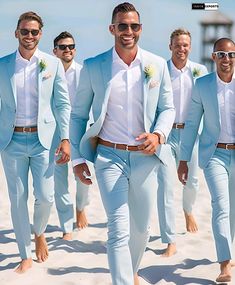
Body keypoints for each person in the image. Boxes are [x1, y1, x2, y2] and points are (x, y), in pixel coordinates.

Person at [70, 2, 175, 285]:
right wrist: (78, 159)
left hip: (146, 158)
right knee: (118, 229)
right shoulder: (93, 67)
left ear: (140, 29)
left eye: (134, 26)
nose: (128, 31)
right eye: (122, 26)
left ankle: (130, 272)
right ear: (112, 28)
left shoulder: (156, 65)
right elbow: (78, 115)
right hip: (108, 157)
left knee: (141, 230)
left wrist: (159, 135)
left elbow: (168, 108)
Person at [0, 12, 71, 273]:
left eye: (34, 32)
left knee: (45, 196)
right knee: (18, 199)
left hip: (44, 141)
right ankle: (24, 254)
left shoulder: (52, 65)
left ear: (40, 34)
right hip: (11, 141)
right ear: (16, 33)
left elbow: (63, 104)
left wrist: (65, 138)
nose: (29, 36)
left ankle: (39, 231)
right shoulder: (2, 65)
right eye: (24, 31)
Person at [178, 38, 235, 283]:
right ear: (213, 57)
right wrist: (183, 159)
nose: (227, 59)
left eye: (231, 55)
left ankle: (230, 251)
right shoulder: (202, 85)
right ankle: (224, 263)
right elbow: (191, 124)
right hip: (215, 155)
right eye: (221, 54)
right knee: (221, 206)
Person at [157, 28, 208, 257]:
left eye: (185, 45)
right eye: (177, 45)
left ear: (191, 46)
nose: (181, 49)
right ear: (170, 46)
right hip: (166, 136)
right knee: (166, 187)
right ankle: (170, 240)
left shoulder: (200, 71)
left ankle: (188, 210)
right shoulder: (160, 71)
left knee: (192, 182)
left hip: (191, 135)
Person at [53, 31, 90, 240]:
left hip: (79, 131)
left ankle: (81, 207)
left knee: (82, 176)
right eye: (63, 47)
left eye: (71, 46)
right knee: (60, 181)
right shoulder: (47, 71)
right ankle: (66, 227)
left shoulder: (83, 72)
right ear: (55, 51)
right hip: (55, 133)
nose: (68, 50)